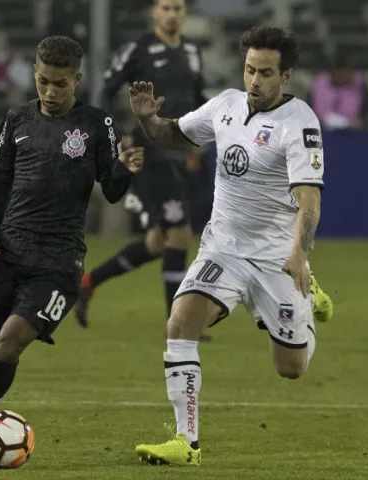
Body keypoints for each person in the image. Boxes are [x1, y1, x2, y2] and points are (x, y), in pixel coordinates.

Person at [0, 35, 144, 463]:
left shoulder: (96, 125)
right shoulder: (16, 119)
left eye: (60, 84)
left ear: (77, 80)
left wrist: (125, 168)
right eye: (43, 81)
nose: (49, 92)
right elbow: (1, 181)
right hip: (7, 251)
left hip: (57, 262)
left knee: (8, 345)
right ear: (34, 74)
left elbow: (114, 191)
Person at [128, 25, 333, 466]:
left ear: (286, 76)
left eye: (264, 73)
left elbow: (309, 201)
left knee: (290, 369)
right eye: (249, 70)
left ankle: (308, 293)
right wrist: (148, 119)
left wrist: (299, 254)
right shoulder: (225, 105)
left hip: (278, 258)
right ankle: (187, 443)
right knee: (180, 323)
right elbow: (173, 136)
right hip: (222, 249)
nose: (254, 81)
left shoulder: (300, 124)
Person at [75, 0, 208, 337]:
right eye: (166, 7)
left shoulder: (193, 52)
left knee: (157, 243)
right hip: (150, 154)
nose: (173, 13)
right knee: (178, 235)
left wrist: (199, 141)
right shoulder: (139, 48)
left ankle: (89, 282)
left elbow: (198, 98)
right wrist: (116, 135)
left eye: (178, 7)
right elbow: (106, 87)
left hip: (179, 151)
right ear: (154, 12)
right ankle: (176, 325)